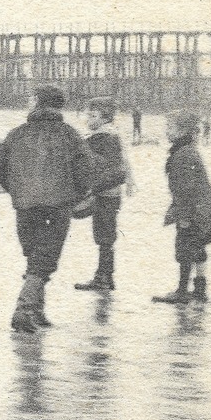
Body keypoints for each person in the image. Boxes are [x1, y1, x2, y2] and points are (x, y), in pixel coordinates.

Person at [0, 86, 93, 333]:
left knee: (34, 255)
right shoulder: (69, 134)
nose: (27, 102)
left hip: (25, 205)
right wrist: (75, 194)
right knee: (45, 258)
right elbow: (86, 169)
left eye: (30, 99)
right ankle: (24, 310)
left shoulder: (17, 134)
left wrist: (16, 189)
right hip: (59, 205)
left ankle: (36, 310)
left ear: (38, 103)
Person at [152, 109, 211, 304]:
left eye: (170, 127)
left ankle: (182, 291)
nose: (167, 131)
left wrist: (184, 217)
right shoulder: (189, 150)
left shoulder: (182, 154)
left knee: (184, 250)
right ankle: (200, 290)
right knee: (198, 250)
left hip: (195, 213)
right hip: (206, 212)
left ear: (183, 131)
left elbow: (186, 191)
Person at [72, 97, 134, 292]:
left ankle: (104, 277)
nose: (88, 119)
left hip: (104, 194)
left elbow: (111, 169)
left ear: (105, 118)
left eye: (93, 116)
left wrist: (90, 188)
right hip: (109, 194)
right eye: (87, 115)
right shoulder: (110, 135)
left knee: (104, 235)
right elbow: (122, 163)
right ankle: (105, 275)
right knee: (105, 235)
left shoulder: (103, 138)